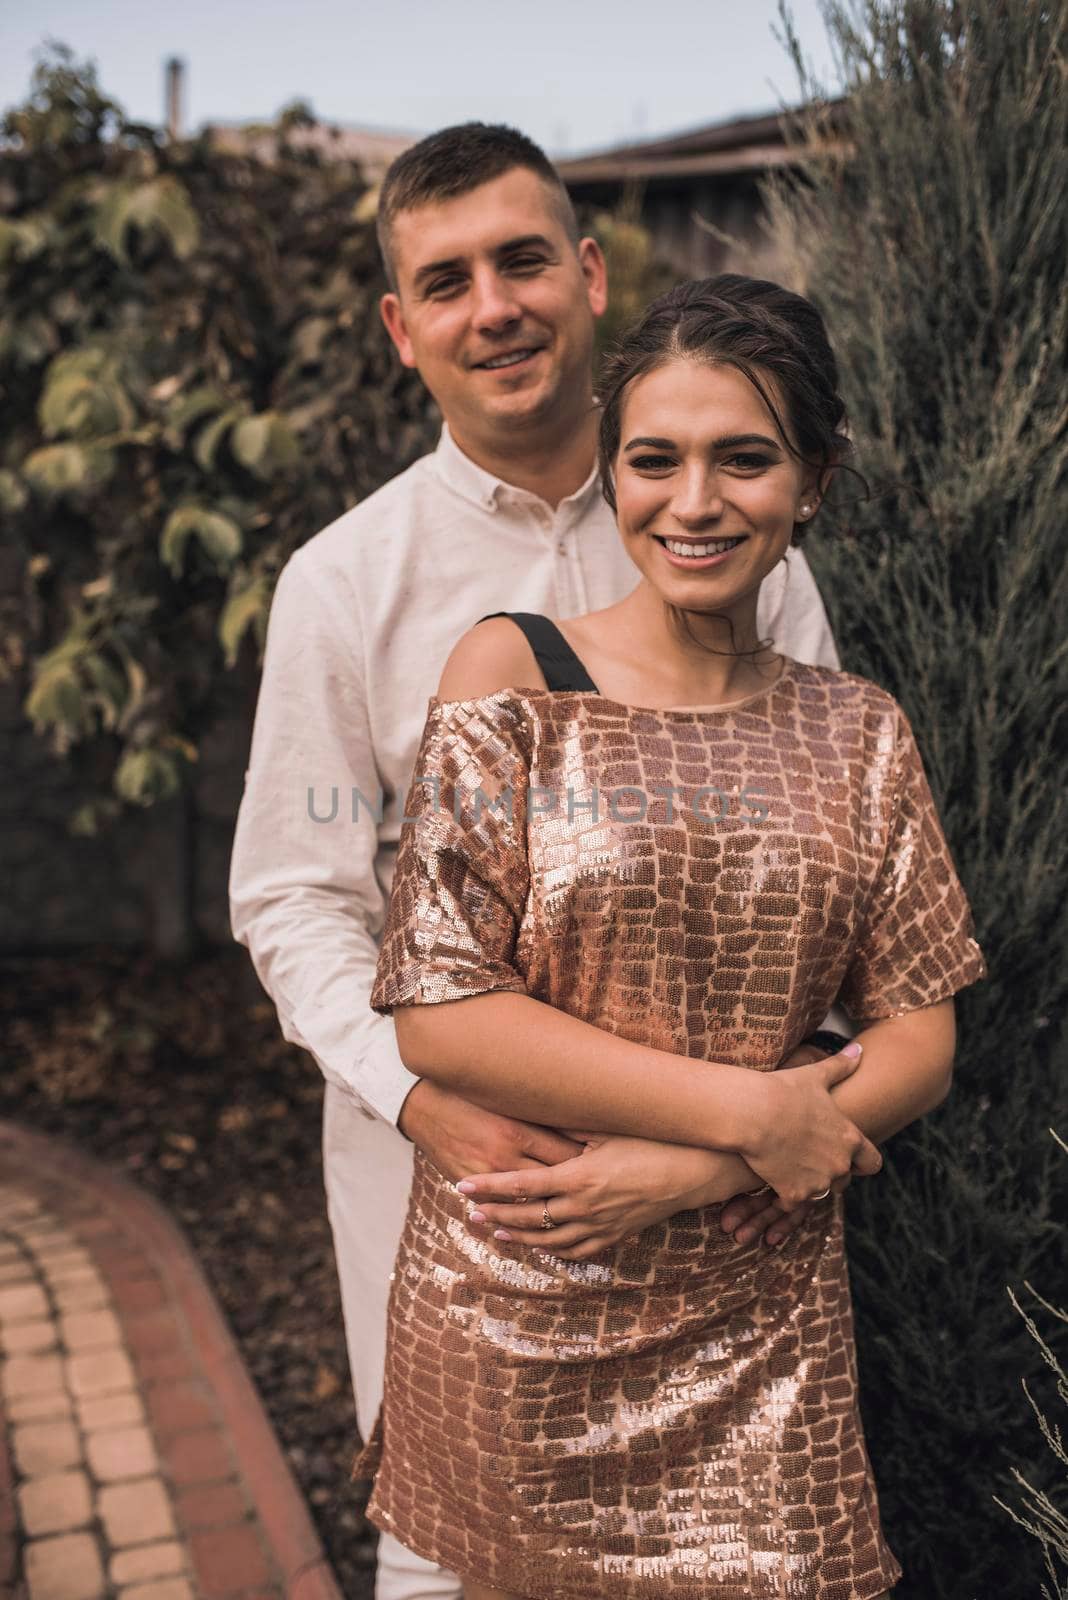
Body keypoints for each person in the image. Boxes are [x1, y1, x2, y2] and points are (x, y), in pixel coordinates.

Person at [229, 125, 843, 1600]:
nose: (492, 306)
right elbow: (295, 895)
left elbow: (828, 862)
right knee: (460, 1557)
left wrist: (739, 1129)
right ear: (402, 330)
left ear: (586, 271)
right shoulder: (346, 584)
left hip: (715, 1204)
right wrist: (419, 1098)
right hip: (466, 1183)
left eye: (520, 260)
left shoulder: (740, 545)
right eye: (446, 282)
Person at [355, 273, 986, 1600]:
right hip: (527, 1311)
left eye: (744, 459)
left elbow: (922, 1029)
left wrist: (710, 1168)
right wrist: (753, 1115)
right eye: (656, 459)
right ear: (612, 473)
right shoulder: (512, 675)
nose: (693, 502)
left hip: (763, 1328)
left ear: (815, 479)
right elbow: (439, 1010)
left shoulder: (858, 729)